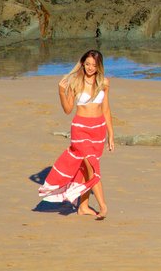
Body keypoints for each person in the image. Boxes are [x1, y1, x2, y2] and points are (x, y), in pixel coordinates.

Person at [37, 49, 115, 219]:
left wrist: (111, 134)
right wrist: (60, 91)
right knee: (92, 167)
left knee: (85, 169)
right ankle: (103, 206)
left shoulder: (104, 83)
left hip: (98, 129)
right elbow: (67, 110)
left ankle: (83, 206)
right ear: (82, 63)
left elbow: (106, 109)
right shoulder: (76, 82)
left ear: (99, 66)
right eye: (87, 64)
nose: (90, 68)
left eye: (94, 65)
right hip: (80, 129)